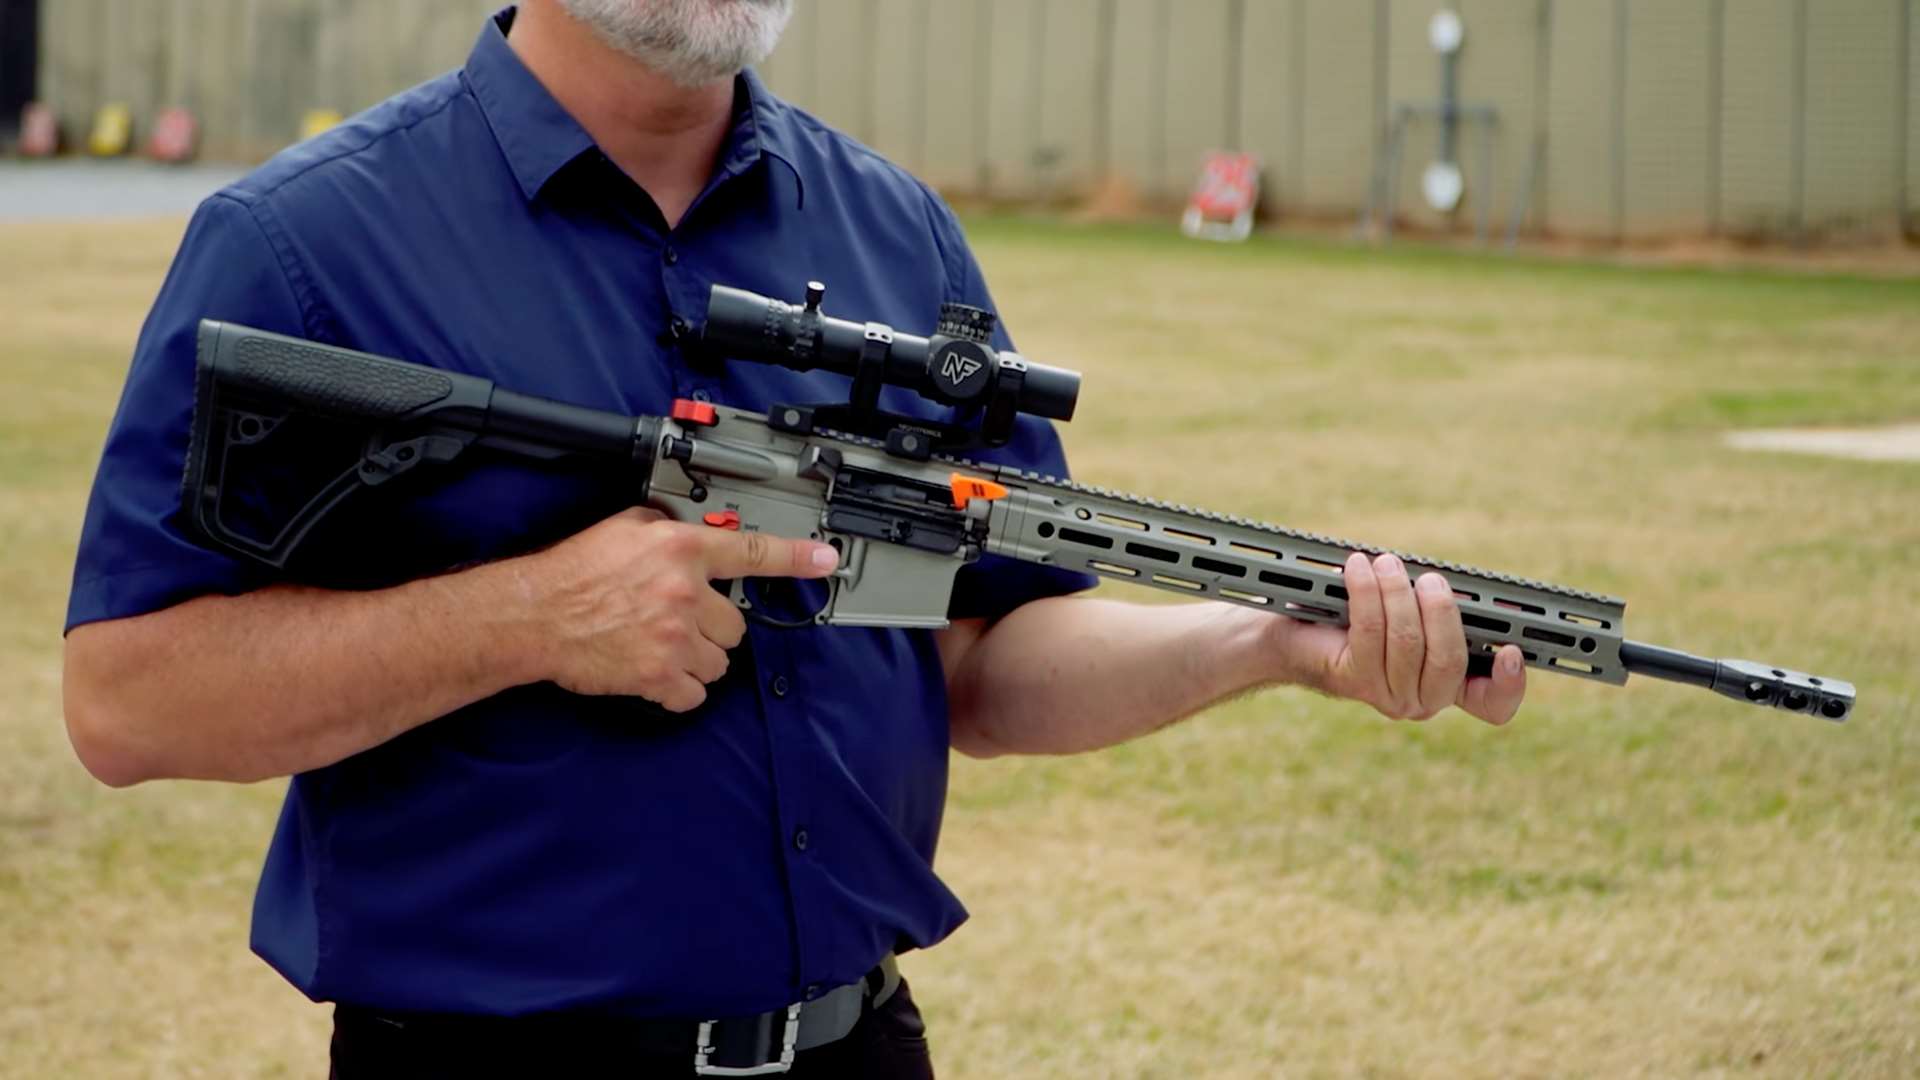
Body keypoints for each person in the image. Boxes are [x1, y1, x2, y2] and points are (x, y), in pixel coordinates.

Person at [61, 2, 1528, 1076]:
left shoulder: (895, 232)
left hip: (852, 1050)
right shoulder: (307, 246)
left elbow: (983, 657)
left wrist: (1271, 640)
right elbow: (126, 701)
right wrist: (529, 619)